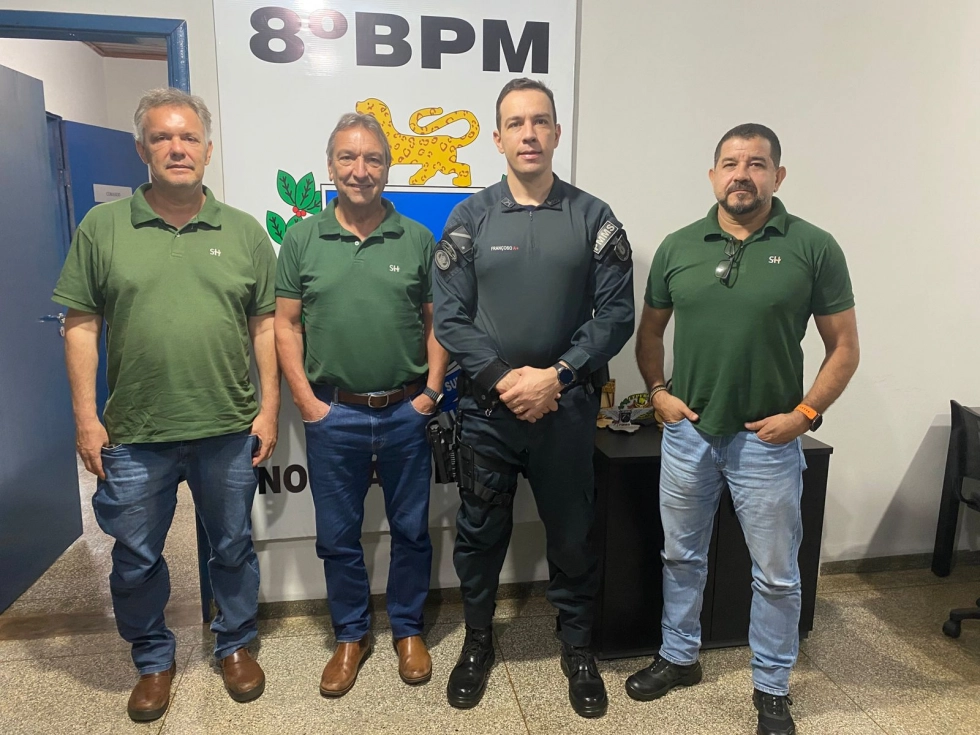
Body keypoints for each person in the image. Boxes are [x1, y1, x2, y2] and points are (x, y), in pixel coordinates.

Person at [53, 88, 279, 722]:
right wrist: (86, 419)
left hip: (227, 427)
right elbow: (80, 325)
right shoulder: (102, 228)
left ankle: (234, 644)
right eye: (162, 138)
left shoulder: (244, 232)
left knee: (232, 548)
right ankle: (153, 658)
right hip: (135, 432)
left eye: (188, 138)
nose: (177, 148)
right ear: (142, 150)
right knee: (135, 559)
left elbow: (265, 326)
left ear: (208, 149)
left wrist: (269, 410)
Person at [631, 123, 860, 735]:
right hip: (689, 435)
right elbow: (649, 331)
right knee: (680, 555)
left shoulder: (813, 247)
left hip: (768, 442)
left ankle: (772, 686)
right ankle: (679, 656)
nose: (742, 174)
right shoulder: (679, 247)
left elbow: (844, 347)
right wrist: (658, 393)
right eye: (730, 163)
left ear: (777, 176)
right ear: (713, 175)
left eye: (756, 164)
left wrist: (805, 415)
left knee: (777, 574)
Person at [432, 78, 634, 718]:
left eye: (540, 121)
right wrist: (504, 379)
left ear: (556, 132)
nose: (529, 134)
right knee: (479, 533)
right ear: (497, 138)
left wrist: (558, 376)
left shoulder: (594, 217)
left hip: (565, 411)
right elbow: (449, 317)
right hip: (487, 413)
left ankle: (577, 646)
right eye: (516, 124)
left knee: (572, 533)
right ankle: (478, 641)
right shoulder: (470, 218)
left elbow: (616, 315)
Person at [275, 112, 449, 697]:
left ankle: (407, 630)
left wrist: (430, 394)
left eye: (373, 158)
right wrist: (306, 401)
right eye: (348, 157)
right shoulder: (301, 239)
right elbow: (285, 325)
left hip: (405, 412)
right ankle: (351, 636)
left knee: (412, 531)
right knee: (337, 537)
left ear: (388, 168)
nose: (360, 169)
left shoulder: (417, 239)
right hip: (334, 414)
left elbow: (438, 324)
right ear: (330, 166)